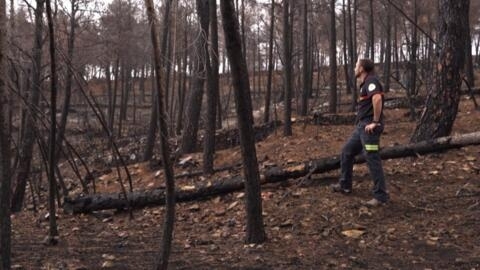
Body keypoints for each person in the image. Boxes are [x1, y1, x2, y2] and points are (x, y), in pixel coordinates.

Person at [331, 58, 389, 206]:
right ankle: (345, 185)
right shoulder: (366, 83)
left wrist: (375, 122)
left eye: (357, 65)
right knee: (347, 151)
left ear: (362, 68)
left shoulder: (371, 81)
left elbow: (377, 99)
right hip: (361, 127)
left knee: (372, 158)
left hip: (369, 128)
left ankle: (380, 196)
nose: (354, 68)